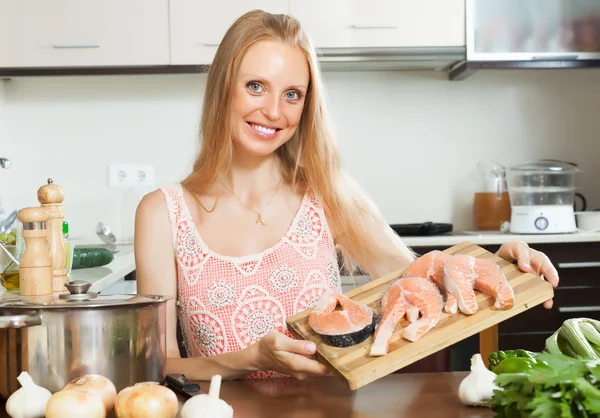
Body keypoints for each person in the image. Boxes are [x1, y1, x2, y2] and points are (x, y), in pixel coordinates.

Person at [134, 9, 560, 382]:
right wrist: (249, 360)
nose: (274, 112)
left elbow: (422, 282)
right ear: (222, 87)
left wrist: (496, 263)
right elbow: (160, 365)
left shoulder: (327, 194)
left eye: (292, 95)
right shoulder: (162, 214)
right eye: (255, 86)